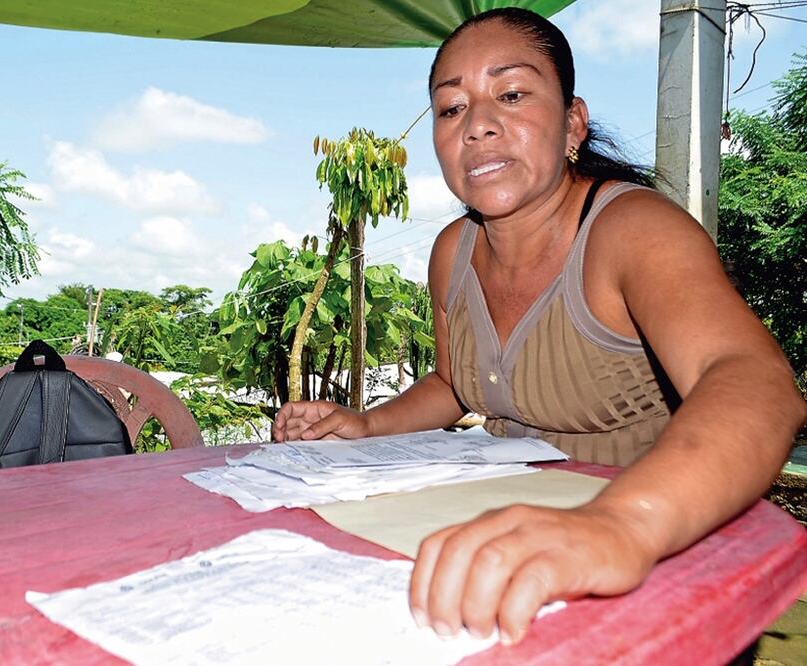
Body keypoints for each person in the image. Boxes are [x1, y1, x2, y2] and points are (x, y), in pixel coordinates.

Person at [272, 7, 806, 647]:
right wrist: (366, 424)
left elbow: (753, 381)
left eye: (513, 94)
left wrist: (622, 525)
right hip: (504, 544)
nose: (478, 126)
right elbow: (454, 382)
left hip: (658, 557)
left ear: (572, 122)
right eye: (451, 109)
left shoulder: (632, 231)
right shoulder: (453, 252)